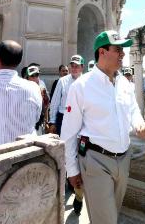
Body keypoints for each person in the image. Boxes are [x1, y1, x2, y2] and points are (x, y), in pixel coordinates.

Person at [60, 30, 145, 224]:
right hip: (95, 160)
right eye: (118, 49)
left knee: (111, 215)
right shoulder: (81, 86)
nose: (123, 54)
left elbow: (133, 109)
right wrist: (72, 170)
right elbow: (68, 133)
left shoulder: (124, 83)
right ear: (102, 52)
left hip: (123, 159)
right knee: (106, 220)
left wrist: (138, 122)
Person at [49, 55, 85, 214]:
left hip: (83, 120)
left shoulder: (87, 82)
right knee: (65, 153)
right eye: (72, 65)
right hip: (64, 119)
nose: (74, 68)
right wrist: (52, 122)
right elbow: (55, 102)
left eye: (77, 65)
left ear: (82, 67)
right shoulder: (62, 82)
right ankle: (65, 187)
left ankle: (79, 194)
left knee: (81, 154)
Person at [26, 65, 50, 134]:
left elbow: (46, 107)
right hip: (27, 123)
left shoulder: (42, 88)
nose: (35, 78)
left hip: (39, 123)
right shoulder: (23, 89)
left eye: (36, 75)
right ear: (28, 77)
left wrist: (46, 121)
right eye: (32, 76)